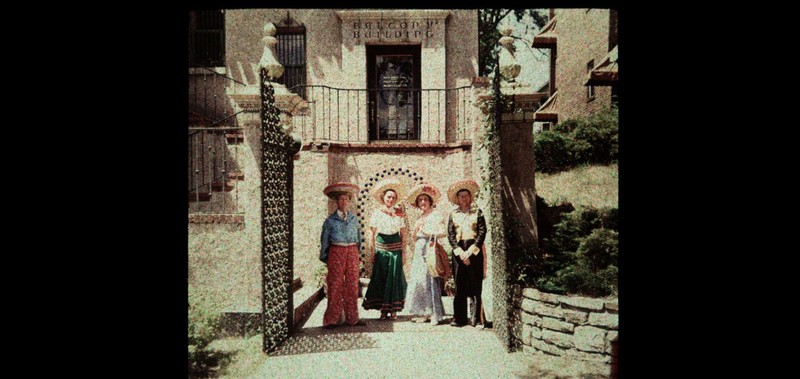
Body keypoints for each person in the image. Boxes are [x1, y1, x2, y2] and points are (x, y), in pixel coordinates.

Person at [320, 182, 366, 329]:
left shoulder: (353, 220)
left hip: (352, 251)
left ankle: (352, 318)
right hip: (336, 251)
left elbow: (359, 239)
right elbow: (325, 241)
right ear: (336, 202)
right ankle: (332, 319)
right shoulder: (330, 221)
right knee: (335, 284)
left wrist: (357, 255)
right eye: (340, 199)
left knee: (352, 284)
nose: (343, 202)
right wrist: (327, 257)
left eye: (346, 199)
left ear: (349, 201)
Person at [362, 177, 408, 320]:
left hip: (395, 248)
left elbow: (403, 234)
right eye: (388, 197)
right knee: (381, 279)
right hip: (381, 248)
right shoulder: (376, 213)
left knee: (394, 278)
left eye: (393, 197)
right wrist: (372, 252)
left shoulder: (399, 214)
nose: (391, 200)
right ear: (383, 198)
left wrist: (404, 253)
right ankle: (383, 310)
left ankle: (394, 310)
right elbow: (373, 234)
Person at [405, 183, 448, 325]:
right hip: (419, 250)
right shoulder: (419, 218)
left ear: (430, 201)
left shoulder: (436, 215)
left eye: (425, 199)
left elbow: (443, 232)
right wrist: (415, 231)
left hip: (430, 249)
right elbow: (415, 238)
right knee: (420, 280)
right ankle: (424, 312)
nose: (423, 202)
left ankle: (435, 313)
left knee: (431, 280)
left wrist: (428, 233)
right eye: (420, 200)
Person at [446, 180, 487, 328]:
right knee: (460, 284)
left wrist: (471, 251)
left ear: (470, 197)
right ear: (457, 199)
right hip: (459, 251)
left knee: (475, 284)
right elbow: (450, 234)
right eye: (461, 196)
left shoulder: (477, 212)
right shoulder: (453, 214)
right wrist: (460, 252)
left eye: (466, 196)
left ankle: (476, 319)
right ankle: (459, 318)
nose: (464, 198)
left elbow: (482, 232)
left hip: (473, 250)